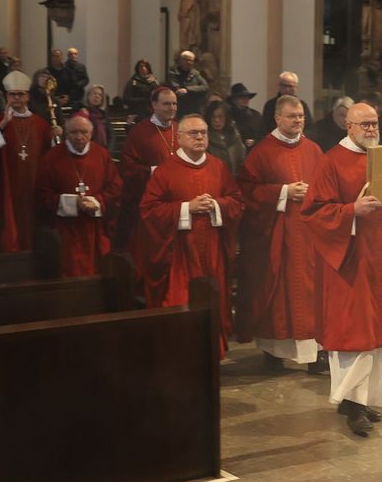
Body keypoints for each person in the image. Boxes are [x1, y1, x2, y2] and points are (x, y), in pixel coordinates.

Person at [301, 100, 382, 437]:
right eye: (364, 124)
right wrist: (352, 210)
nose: (371, 130)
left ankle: (363, 401)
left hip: (379, 257)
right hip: (348, 261)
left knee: (375, 334)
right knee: (354, 333)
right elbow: (313, 213)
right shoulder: (331, 162)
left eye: (374, 123)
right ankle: (349, 404)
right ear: (347, 126)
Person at [136, 113, 245, 354]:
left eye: (203, 133)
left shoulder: (218, 166)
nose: (200, 137)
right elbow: (148, 210)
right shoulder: (166, 171)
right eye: (193, 133)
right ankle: (181, 354)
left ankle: (210, 354)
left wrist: (216, 206)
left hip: (213, 251)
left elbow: (236, 201)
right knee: (183, 301)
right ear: (180, 137)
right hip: (180, 253)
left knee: (212, 300)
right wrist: (187, 208)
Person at [236, 94, 324, 371]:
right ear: (278, 118)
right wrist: (284, 191)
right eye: (292, 116)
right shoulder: (261, 152)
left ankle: (314, 354)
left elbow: (325, 185)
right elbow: (245, 192)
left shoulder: (313, 150)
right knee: (278, 291)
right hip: (276, 235)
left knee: (311, 291)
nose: (298, 121)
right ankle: (274, 351)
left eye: (301, 116)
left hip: (309, 235)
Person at [33, 111, 120, 277]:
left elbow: (116, 188)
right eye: (74, 132)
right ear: (66, 133)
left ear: (91, 133)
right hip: (64, 231)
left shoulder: (102, 155)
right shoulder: (52, 157)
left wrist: (97, 202)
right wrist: (73, 203)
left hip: (94, 229)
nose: (79, 137)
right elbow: (41, 195)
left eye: (84, 132)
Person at [0, 70, 55, 252]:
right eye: (13, 94)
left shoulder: (41, 123)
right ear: (7, 96)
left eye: (21, 94)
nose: (17, 98)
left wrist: (55, 137)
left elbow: (50, 155)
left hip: (35, 182)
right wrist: (2, 126)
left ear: (27, 96)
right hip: (9, 184)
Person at [118, 85, 179, 250]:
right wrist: (153, 172)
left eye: (174, 104)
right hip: (148, 203)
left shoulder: (180, 130)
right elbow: (127, 167)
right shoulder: (139, 132)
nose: (172, 108)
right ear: (154, 105)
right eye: (166, 104)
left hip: (176, 202)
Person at [204, 98, 248, 176]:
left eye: (220, 117)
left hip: (235, 181)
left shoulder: (235, 135)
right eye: (213, 117)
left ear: (226, 118)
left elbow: (242, 160)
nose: (217, 120)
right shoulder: (205, 138)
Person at [168, 50, 211, 115]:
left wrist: (187, 89)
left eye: (191, 60)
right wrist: (195, 91)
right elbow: (178, 91)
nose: (189, 62)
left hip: (194, 109)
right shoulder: (173, 73)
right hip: (179, 110)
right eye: (186, 60)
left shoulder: (195, 73)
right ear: (181, 60)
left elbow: (205, 87)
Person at [79, 83, 114, 149]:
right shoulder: (83, 113)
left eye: (100, 95)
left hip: (104, 149)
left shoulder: (104, 114)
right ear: (88, 96)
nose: (97, 96)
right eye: (94, 93)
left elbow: (111, 135)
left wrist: (109, 151)